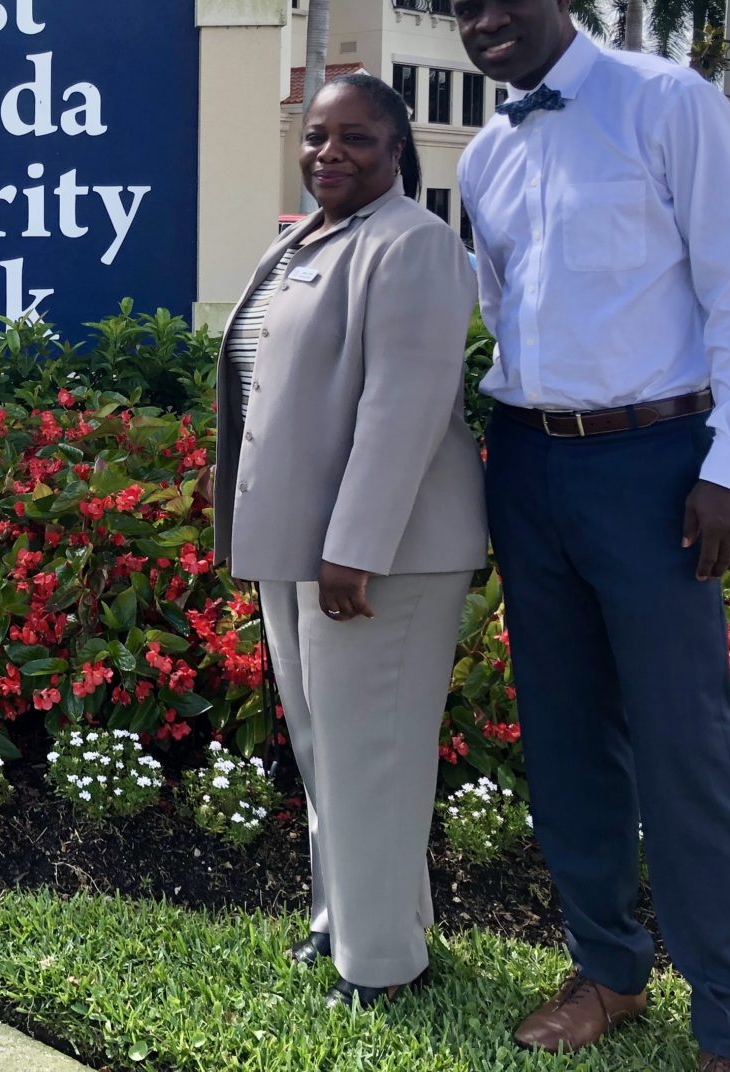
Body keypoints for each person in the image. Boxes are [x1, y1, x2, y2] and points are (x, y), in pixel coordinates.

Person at [452, 0, 730, 1072]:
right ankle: (607, 969)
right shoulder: (483, 156)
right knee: (561, 739)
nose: (487, 23)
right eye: (466, 8)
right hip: (528, 465)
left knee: (681, 745)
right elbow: (498, 309)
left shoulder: (666, 103)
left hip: (653, 467)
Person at [203, 72, 486, 1008]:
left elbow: (403, 407)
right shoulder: (305, 241)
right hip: (301, 544)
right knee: (330, 747)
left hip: (380, 555)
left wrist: (351, 549)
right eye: (318, 136)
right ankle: (349, 927)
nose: (330, 152)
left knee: (373, 755)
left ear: (397, 148)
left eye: (356, 138)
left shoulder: (414, 244)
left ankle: (380, 968)